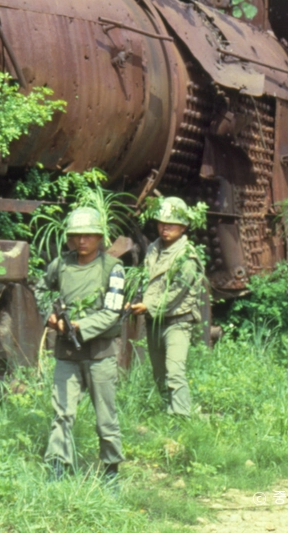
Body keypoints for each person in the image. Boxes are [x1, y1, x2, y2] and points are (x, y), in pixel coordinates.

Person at [42, 206, 126, 485]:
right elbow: (41, 289)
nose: (82, 241)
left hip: (100, 353)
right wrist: (50, 317)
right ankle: (56, 468)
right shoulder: (61, 265)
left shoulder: (112, 269)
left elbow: (112, 312)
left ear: (99, 237)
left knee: (106, 417)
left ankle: (111, 471)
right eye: (76, 235)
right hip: (67, 353)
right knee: (62, 413)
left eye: (88, 235)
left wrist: (79, 326)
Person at [129, 196, 205, 417]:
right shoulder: (154, 248)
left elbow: (176, 293)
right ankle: (167, 410)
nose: (165, 228)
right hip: (155, 320)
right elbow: (148, 280)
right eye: (162, 223)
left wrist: (147, 306)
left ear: (183, 227)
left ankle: (181, 417)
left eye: (171, 224)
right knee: (159, 372)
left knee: (174, 371)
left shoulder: (186, 256)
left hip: (177, 321)